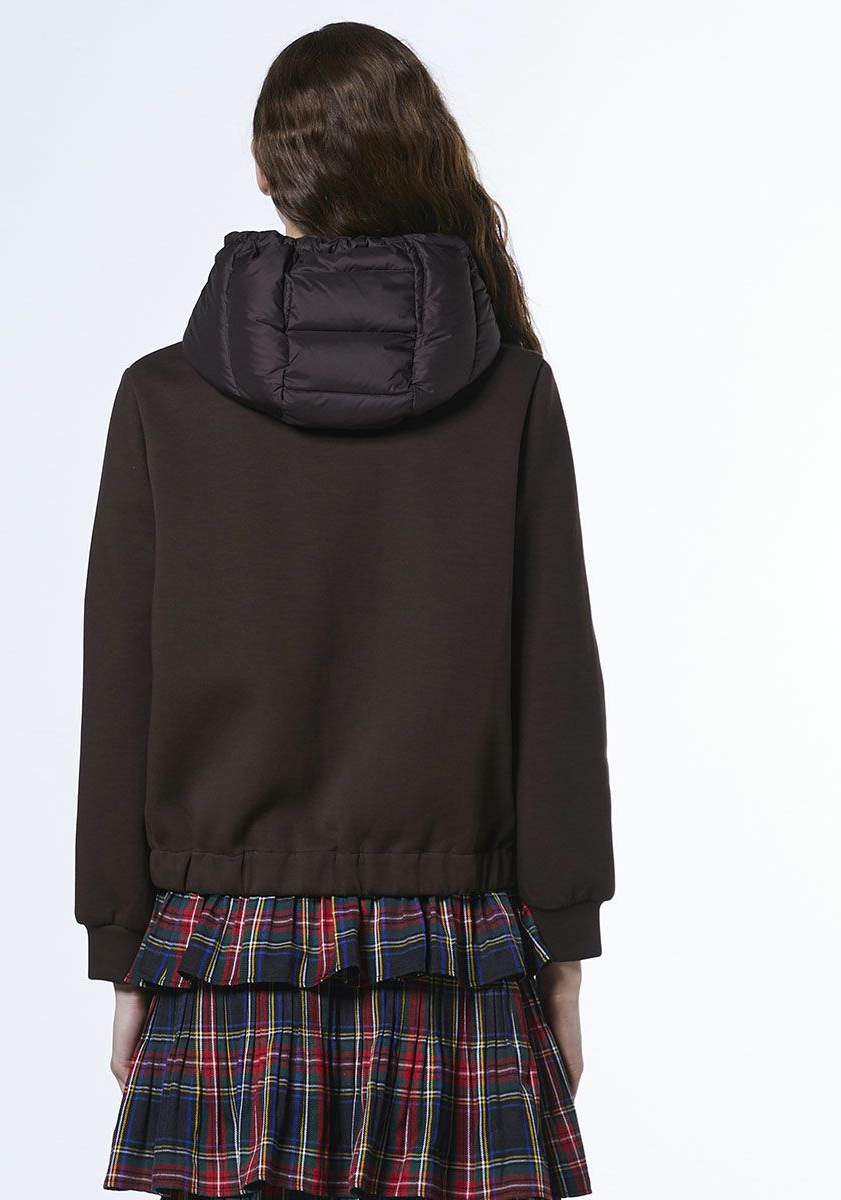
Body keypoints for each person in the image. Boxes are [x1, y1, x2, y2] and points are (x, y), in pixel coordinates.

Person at [75, 21, 614, 1200]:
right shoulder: (511, 394)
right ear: (422, 160)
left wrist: (124, 953)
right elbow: (556, 694)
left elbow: (118, 692)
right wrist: (565, 955)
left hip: (226, 962)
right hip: (453, 959)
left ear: (265, 174)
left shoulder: (161, 401)